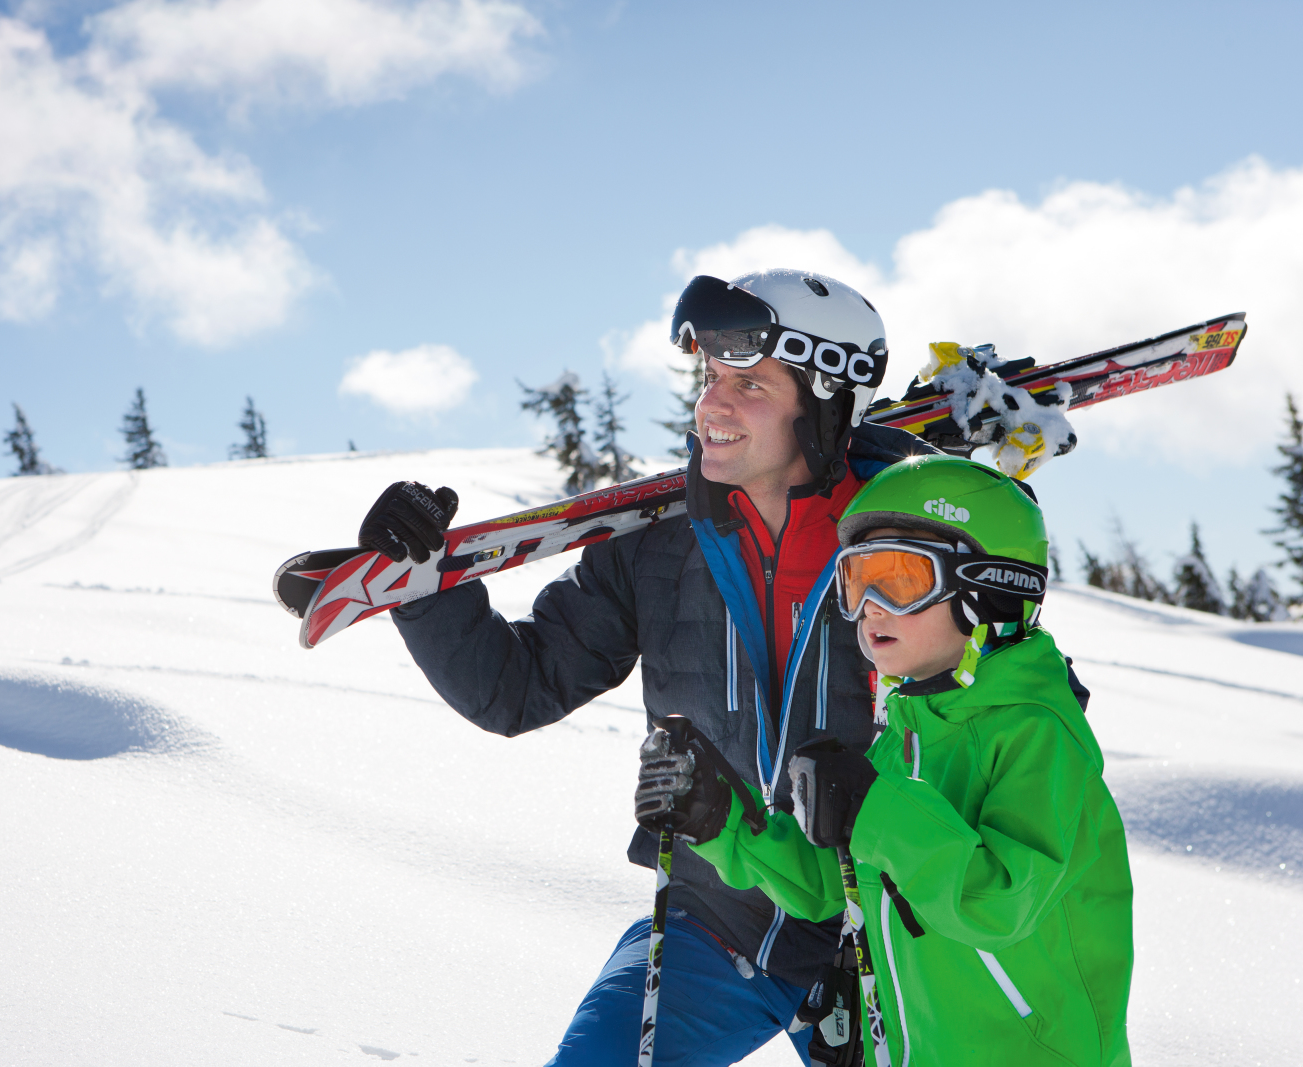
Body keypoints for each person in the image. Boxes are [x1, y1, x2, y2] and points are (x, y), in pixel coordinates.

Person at [357, 268, 933, 1066]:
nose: (712, 406)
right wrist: (427, 590)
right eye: (709, 378)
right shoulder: (656, 543)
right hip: (716, 918)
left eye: (749, 384)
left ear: (826, 401)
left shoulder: (911, 543)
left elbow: (993, 727)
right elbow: (516, 688)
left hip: (891, 932)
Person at [637, 454, 1133, 1066]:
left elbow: (1000, 901)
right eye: (854, 578)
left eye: (898, 578)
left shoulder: (1038, 735)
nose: (869, 604)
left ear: (991, 587)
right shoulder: (903, 733)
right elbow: (832, 888)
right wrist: (724, 823)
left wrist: (873, 808)